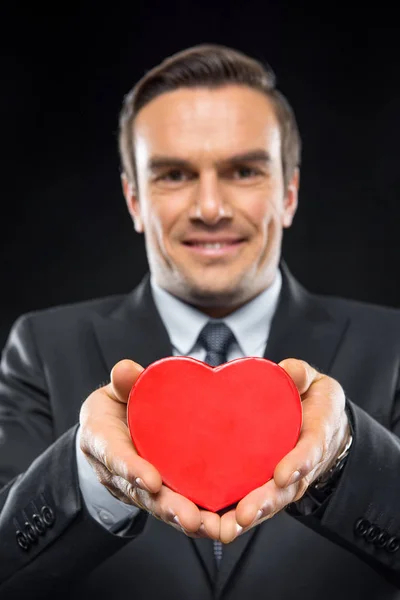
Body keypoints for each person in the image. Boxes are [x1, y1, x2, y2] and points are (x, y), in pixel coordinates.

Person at [0, 43, 399, 600]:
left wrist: (346, 458)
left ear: (288, 193)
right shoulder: (41, 348)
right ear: (134, 199)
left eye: (243, 170)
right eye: (174, 174)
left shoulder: (393, 348)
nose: (210, 207)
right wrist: (92, 476)